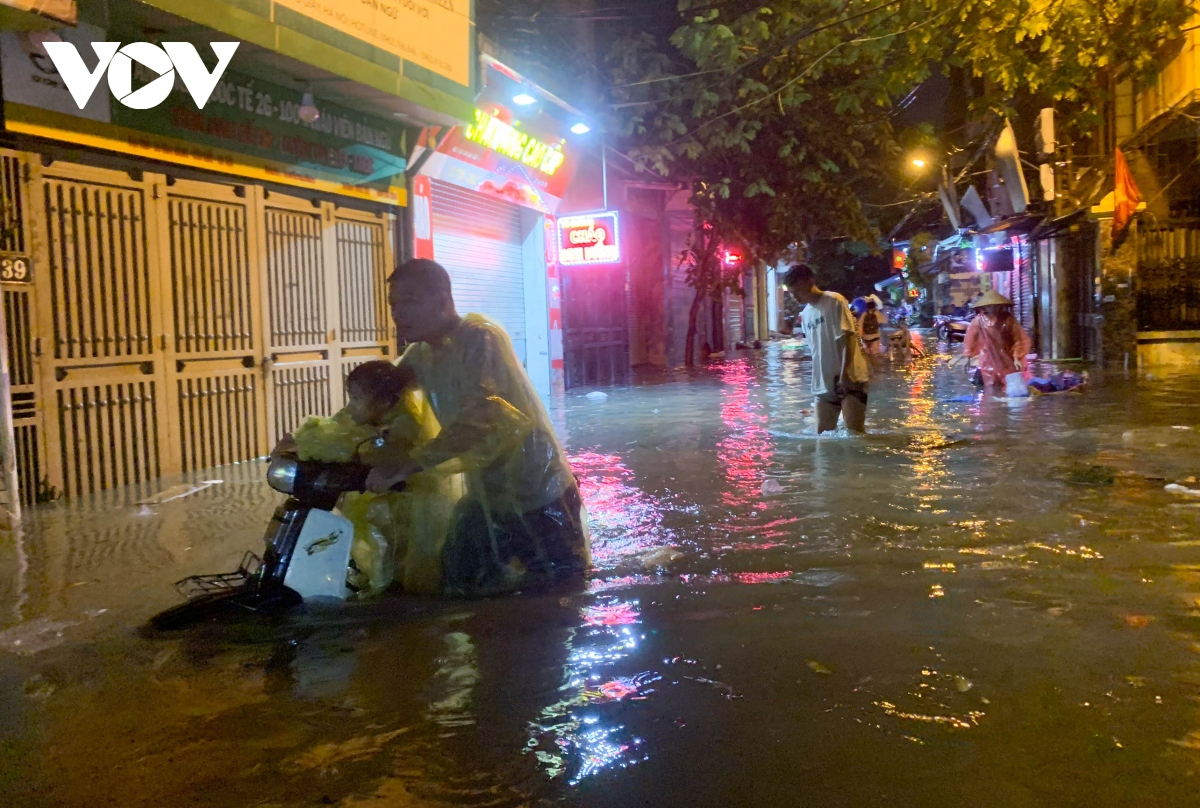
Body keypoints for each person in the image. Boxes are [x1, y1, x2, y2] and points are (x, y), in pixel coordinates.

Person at [368, 258, 591, 597]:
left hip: (538, 492)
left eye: (410, 302)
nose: (398, 313)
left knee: (561, 598)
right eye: (393, 304)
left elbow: (483, 415)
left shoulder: (481, 338)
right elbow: (379, 396)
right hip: (485, 496)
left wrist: (412, 463)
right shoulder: (421, 355)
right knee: (456, 589)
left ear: (443, 301)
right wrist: (320, 438)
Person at [287, 360, 463, 595]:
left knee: (395, 548)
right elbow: (336, 427)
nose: (351, 405)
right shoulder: (366, 415)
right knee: (374, 544)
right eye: (351, 397)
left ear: (383, 403)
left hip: (402, 498)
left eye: (357, 399)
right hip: (373, 493)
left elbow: (381, 451)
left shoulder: (405, 422)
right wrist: (300, 442)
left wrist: (360, 451)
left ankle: (395, 593)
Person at [782, 263, 871, 433]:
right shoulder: (806, 314)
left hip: (851, 378)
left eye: (797, 290)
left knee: (855, 434)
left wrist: (845, 375)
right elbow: (817, 350)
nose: (795, 296)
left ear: (809, 281)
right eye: (792, 292)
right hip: (825, 382)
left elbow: (847, 339)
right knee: (822, 436)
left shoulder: (834, 301)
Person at [953, 290, 1032, 387]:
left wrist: (1017, 357)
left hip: (1007, 357)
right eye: (990, 306)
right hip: (987, 359)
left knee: (1010, 384)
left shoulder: (1009, 319)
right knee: (990, 385)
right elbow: (970, 338)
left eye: (996, 306)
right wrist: (968, 356)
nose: (994, 308)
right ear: (984, 307)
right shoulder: (978, 320)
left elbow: (1018, 339)